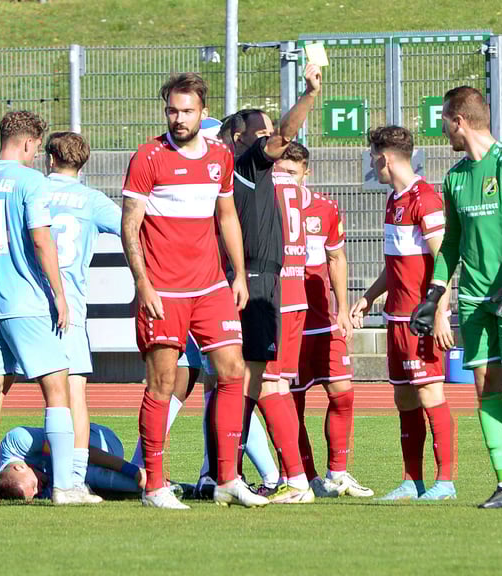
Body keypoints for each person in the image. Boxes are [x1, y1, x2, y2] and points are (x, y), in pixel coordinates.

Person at [0, 131, 119, 499]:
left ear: (51, 158)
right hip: (47, 303)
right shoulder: (71, 195)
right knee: (67, 391)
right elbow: (130, 230)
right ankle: (70, 480)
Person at [122, 72, 266, 509]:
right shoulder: (148, 156)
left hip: (210, 287)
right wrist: (143, 283)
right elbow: (129, 225)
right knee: (163, 383)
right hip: (163, 289)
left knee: (232, 371)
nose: (178, 118)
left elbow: (226, 218)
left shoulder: (220, 155)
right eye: (172, 110)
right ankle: (154, 486)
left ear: (203, 112)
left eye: (187, 111)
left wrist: (238, 275)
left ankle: (226, 479)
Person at [410, 86, 502, 509]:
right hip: (474, 297)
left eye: (445, 123)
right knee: (486, 386)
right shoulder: (454, 177)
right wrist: (436, 293)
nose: (444, 133)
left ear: (459, 121)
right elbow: (451, 242)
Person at [216, 62, 322, 503]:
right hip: (250, 280)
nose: (271, 140)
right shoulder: (234, 166)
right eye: (260, 134)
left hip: (257, 281)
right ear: (239, 137)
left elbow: (284, 134)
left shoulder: (247, 163)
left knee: (252, 382)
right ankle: (232, 474)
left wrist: (310, 95)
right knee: (247, 382)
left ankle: (287, 478)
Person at [350, 126, 457, 502]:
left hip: (420, 318)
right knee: (405, 400)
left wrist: (441, 313)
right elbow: (395, 263)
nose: (371, 163)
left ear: (385, 157)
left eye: (372, 156)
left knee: (430, 394)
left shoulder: (425, 199)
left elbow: (442, 259)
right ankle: (413, 481)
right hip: (396, 318)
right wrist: (368, 298)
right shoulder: (394, 198)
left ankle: (445, 482)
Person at [277, 142, 373, 499]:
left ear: (306, 173)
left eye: (291, 172)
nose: (284, 177)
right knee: (291, 402)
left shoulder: (325, 209)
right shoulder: (270, 207)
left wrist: (343, 308)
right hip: (290, 320)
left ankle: (338, 473)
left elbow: (336, 258)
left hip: (323, 320)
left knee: (343, 393)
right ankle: (305, 475)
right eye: (279, 171)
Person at [0, 423, 146, 501]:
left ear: (19, 467)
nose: (38, 491)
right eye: (34, 494)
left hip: (100, 442)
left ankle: (140, 472)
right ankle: (156, 482)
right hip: (86, 467)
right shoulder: (14, 485)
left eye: (34, 486)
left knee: (73, 466)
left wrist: (130, 470)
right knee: (139, 488)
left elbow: (79, 449)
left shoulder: (18, 441)